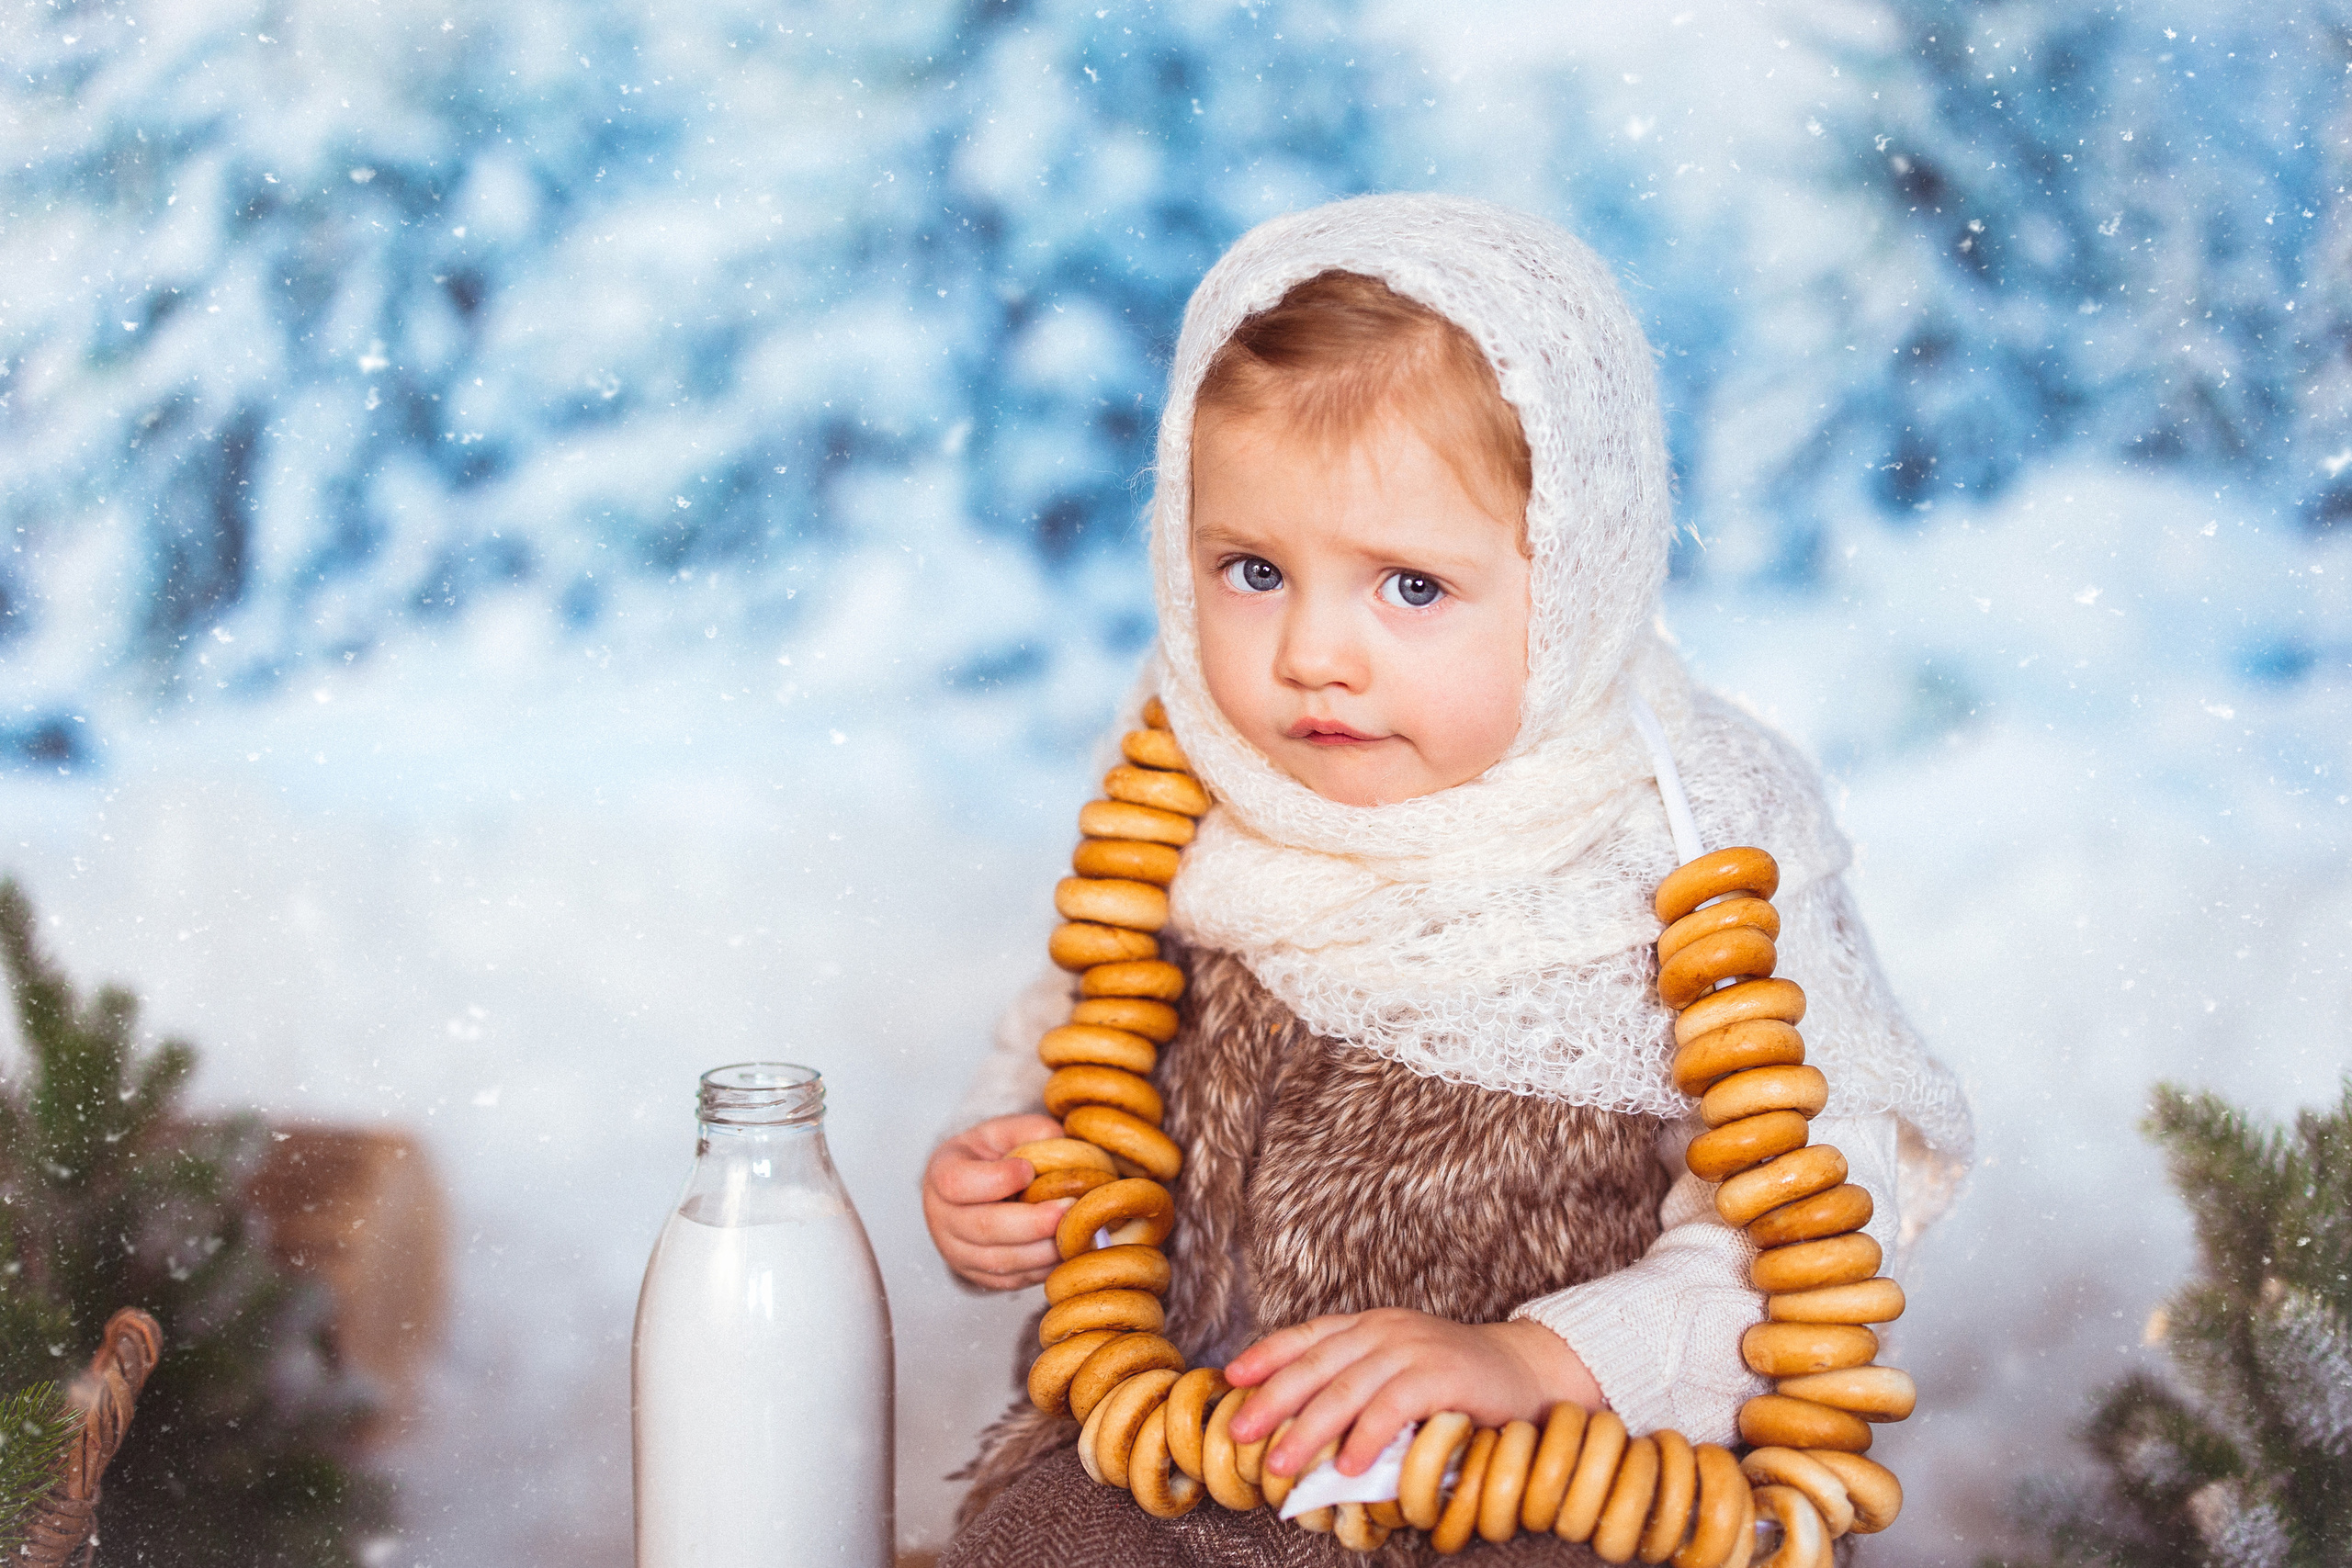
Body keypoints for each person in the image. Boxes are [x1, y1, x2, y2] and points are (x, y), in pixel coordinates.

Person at [922, 195, 1972, 1565]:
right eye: (1251, 570)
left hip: (1552, 1493)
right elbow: (1075, 1041)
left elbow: (1807, 1255)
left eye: (1409, 588)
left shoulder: (1691, 835)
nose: (1312, 655)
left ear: (1578, 574)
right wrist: (1007, 1175)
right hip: (1190, 1455)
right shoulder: (1187, 781)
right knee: (1041, 1541)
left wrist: (1534, 1362)